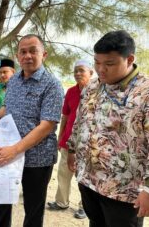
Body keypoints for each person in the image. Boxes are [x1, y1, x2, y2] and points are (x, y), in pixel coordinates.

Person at [67, 30, 149, 227]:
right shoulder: (92, 87)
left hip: (123, 190)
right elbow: (80, 120)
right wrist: (72, 149)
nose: (101, 69)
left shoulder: (146, 92)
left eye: (109, 64)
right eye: (97, 62)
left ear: (129, 59)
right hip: (89, 181)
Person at [0, 34, 64, 227]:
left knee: (33, 210)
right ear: (17, 55)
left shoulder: (52, 85)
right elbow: (7, 106)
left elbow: (47, 125)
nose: (28, 56)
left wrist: (15, 150)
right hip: (8, 154)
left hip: (37, 159)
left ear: (44, 54)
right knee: (2, 203)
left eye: (33, 51)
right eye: (23, 52)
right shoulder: (13, 81)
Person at [47, 59, 93, 219]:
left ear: (91, 73)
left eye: (82, 70)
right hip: (68, 141)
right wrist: (61, 137)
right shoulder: (71, 92)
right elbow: (65, 115)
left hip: (88, 144)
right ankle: (61, 202)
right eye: (76, 71)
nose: (78, 74)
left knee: (84, 177)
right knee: (63, 173)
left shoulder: (97, 91)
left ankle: (85, 207)